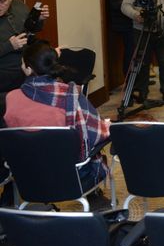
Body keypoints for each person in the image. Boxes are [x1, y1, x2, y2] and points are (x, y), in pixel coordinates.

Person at [4, 41, 110, 193]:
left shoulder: (11, 98)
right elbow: (96, 133)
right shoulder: (71, 96)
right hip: (69, 177)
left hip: (27, 177)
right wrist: (107, 126)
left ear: (28, 68)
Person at [0, 0, 50, 94]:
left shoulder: (19, 5)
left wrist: (39, 19)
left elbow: (31, 30)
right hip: (4, 76)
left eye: (3, 0)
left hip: (27, 69)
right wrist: (9, 45)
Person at [106, 0, 141, 78]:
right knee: (130, 52)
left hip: (130, 21)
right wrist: (136, 10)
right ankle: (129, 80)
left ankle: (136, 79)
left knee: (135, 51)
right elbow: (118, 4)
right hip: (125, 23)